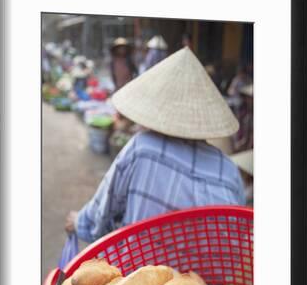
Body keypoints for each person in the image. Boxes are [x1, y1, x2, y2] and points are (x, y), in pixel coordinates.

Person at [66, 46, 245, 241]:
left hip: (139, 269)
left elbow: (100, 216)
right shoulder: (228, 170)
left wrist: (78, 222)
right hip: (209, 272)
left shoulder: (143, 149)